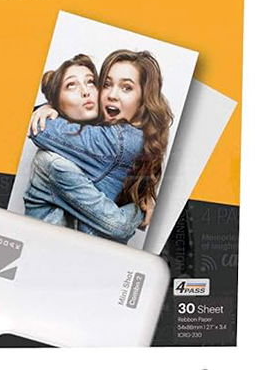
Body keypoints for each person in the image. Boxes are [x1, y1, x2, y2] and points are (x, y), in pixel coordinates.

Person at [22, 49, 173, 242]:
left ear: (143, 99)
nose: (112, 95)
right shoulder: (55, 161)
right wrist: (139, 210)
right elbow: (118, 224)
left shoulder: (119, 140)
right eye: (106, 84)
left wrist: (44, 110)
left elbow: (40, 130)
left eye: (126, 88)